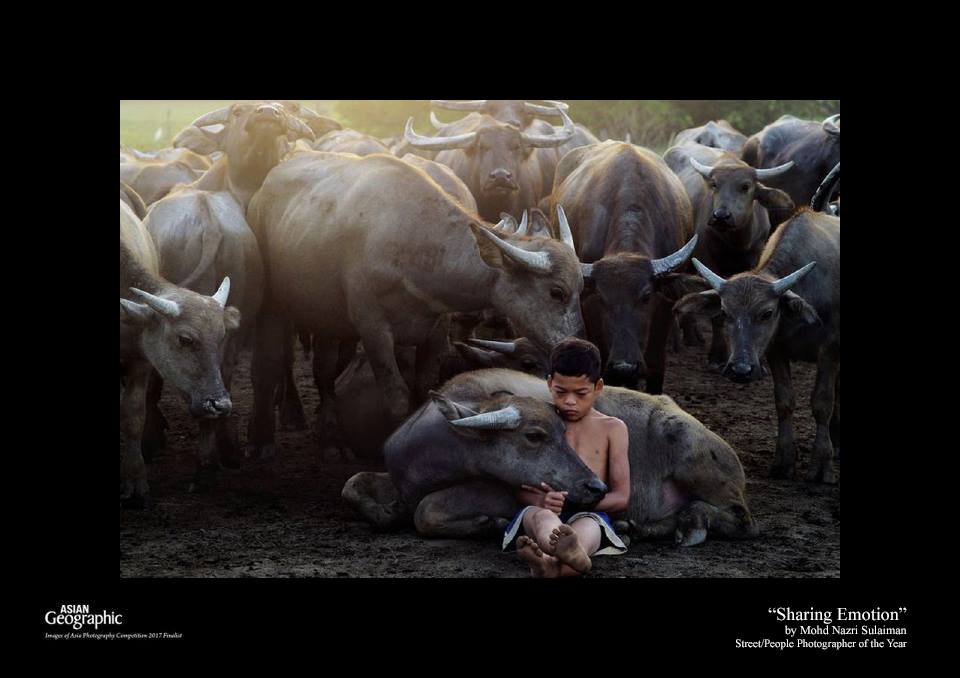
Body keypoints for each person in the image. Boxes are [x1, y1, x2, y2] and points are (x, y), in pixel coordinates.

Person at [502, 337, 630, 577]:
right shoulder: (538, 423)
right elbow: (515, 485)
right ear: (549, 383)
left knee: (588, 528)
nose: (570, 401)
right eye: (561, 392)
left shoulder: (613, 429)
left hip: (590, 512)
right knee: (543, 518)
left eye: (581, 393)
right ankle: (555, 554)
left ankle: (551, 563)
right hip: (541, 511)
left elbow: (622, 497)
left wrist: (580, 502)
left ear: (598, 387)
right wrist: (542, 500)